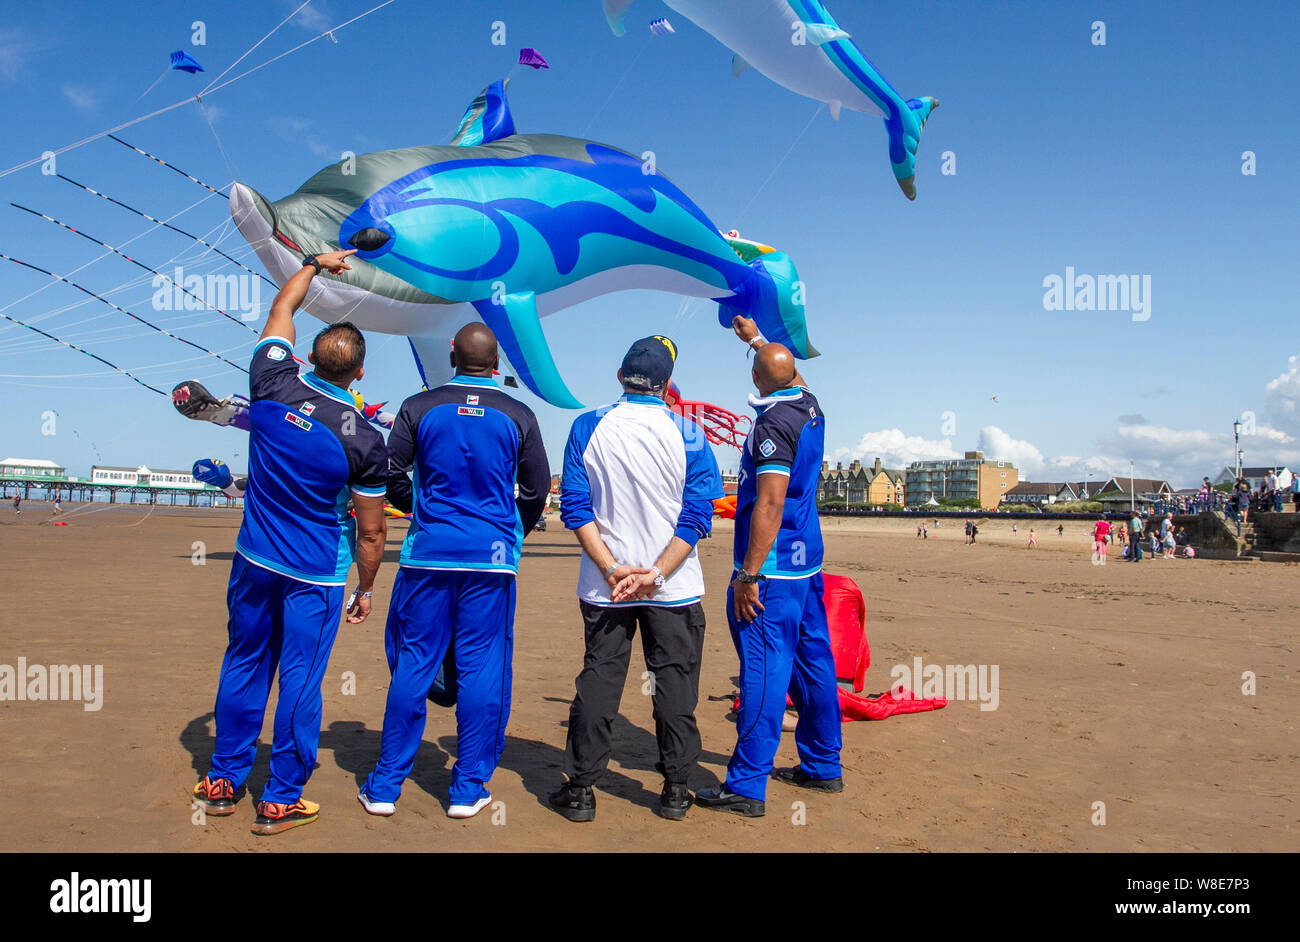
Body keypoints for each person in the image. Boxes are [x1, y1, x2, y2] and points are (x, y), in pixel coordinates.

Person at [193, 250, 389, 836]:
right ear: (358, 375)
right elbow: (373, 529)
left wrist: (311, 262)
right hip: (315, 574)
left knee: (245, 661)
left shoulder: (272, 379)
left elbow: (283, 305)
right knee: (300, 679)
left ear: (308, 356)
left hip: (255, 560)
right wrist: (367, 587)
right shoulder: (364, 437)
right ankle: (279, 797)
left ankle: (223, 780)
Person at [360, 323, 549, 820]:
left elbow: (388, 472)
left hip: (428, 554)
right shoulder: (518, 412)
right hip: (490, 560)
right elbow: (534, 490)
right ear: (497, 363)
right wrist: (510, 534)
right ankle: (466, 789)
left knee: (414, 663)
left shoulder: (418, 406)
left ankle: (384, 786)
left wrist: (422, 510)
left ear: (451, 354)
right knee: (482, 667)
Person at [549, 335, 723, 823]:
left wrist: (610, 567)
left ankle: (581, 790)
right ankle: (675, 788)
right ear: (668, 385)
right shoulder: (689, 432)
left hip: (608, 585)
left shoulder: (589, 425)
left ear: (620, 377)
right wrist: (657, 574)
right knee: (675, 685)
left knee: (600, 682)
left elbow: (575, 507)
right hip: (674, 585)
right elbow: (697, 515)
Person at [694, 316, 842, 818]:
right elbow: (789, 374)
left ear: (758, 380)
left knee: (762, 669)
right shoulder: (809, 406)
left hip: (774, 570)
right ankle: (823, 764)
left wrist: (748, 575)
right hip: (807, 562)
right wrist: (756, 340)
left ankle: (746, 785)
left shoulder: (772, 425)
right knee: (814, 662)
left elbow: (769, 504)